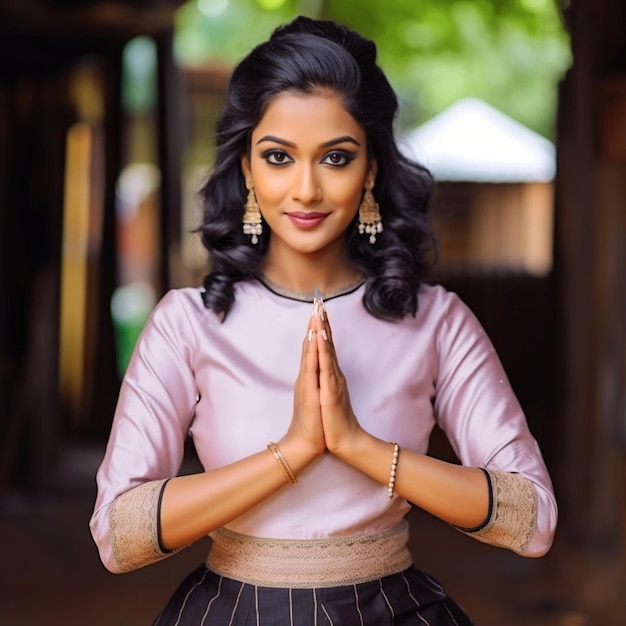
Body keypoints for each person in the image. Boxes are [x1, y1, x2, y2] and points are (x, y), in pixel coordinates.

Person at [90, 15, 557, 625]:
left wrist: (361, 448)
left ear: (371, 170)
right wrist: (293, 452)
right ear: (246, 169)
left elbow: (534, 521)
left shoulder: (435, 320)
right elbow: (118, 538)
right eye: (278, 156)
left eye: (335, 158)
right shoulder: (188, 324)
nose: (306, 189)